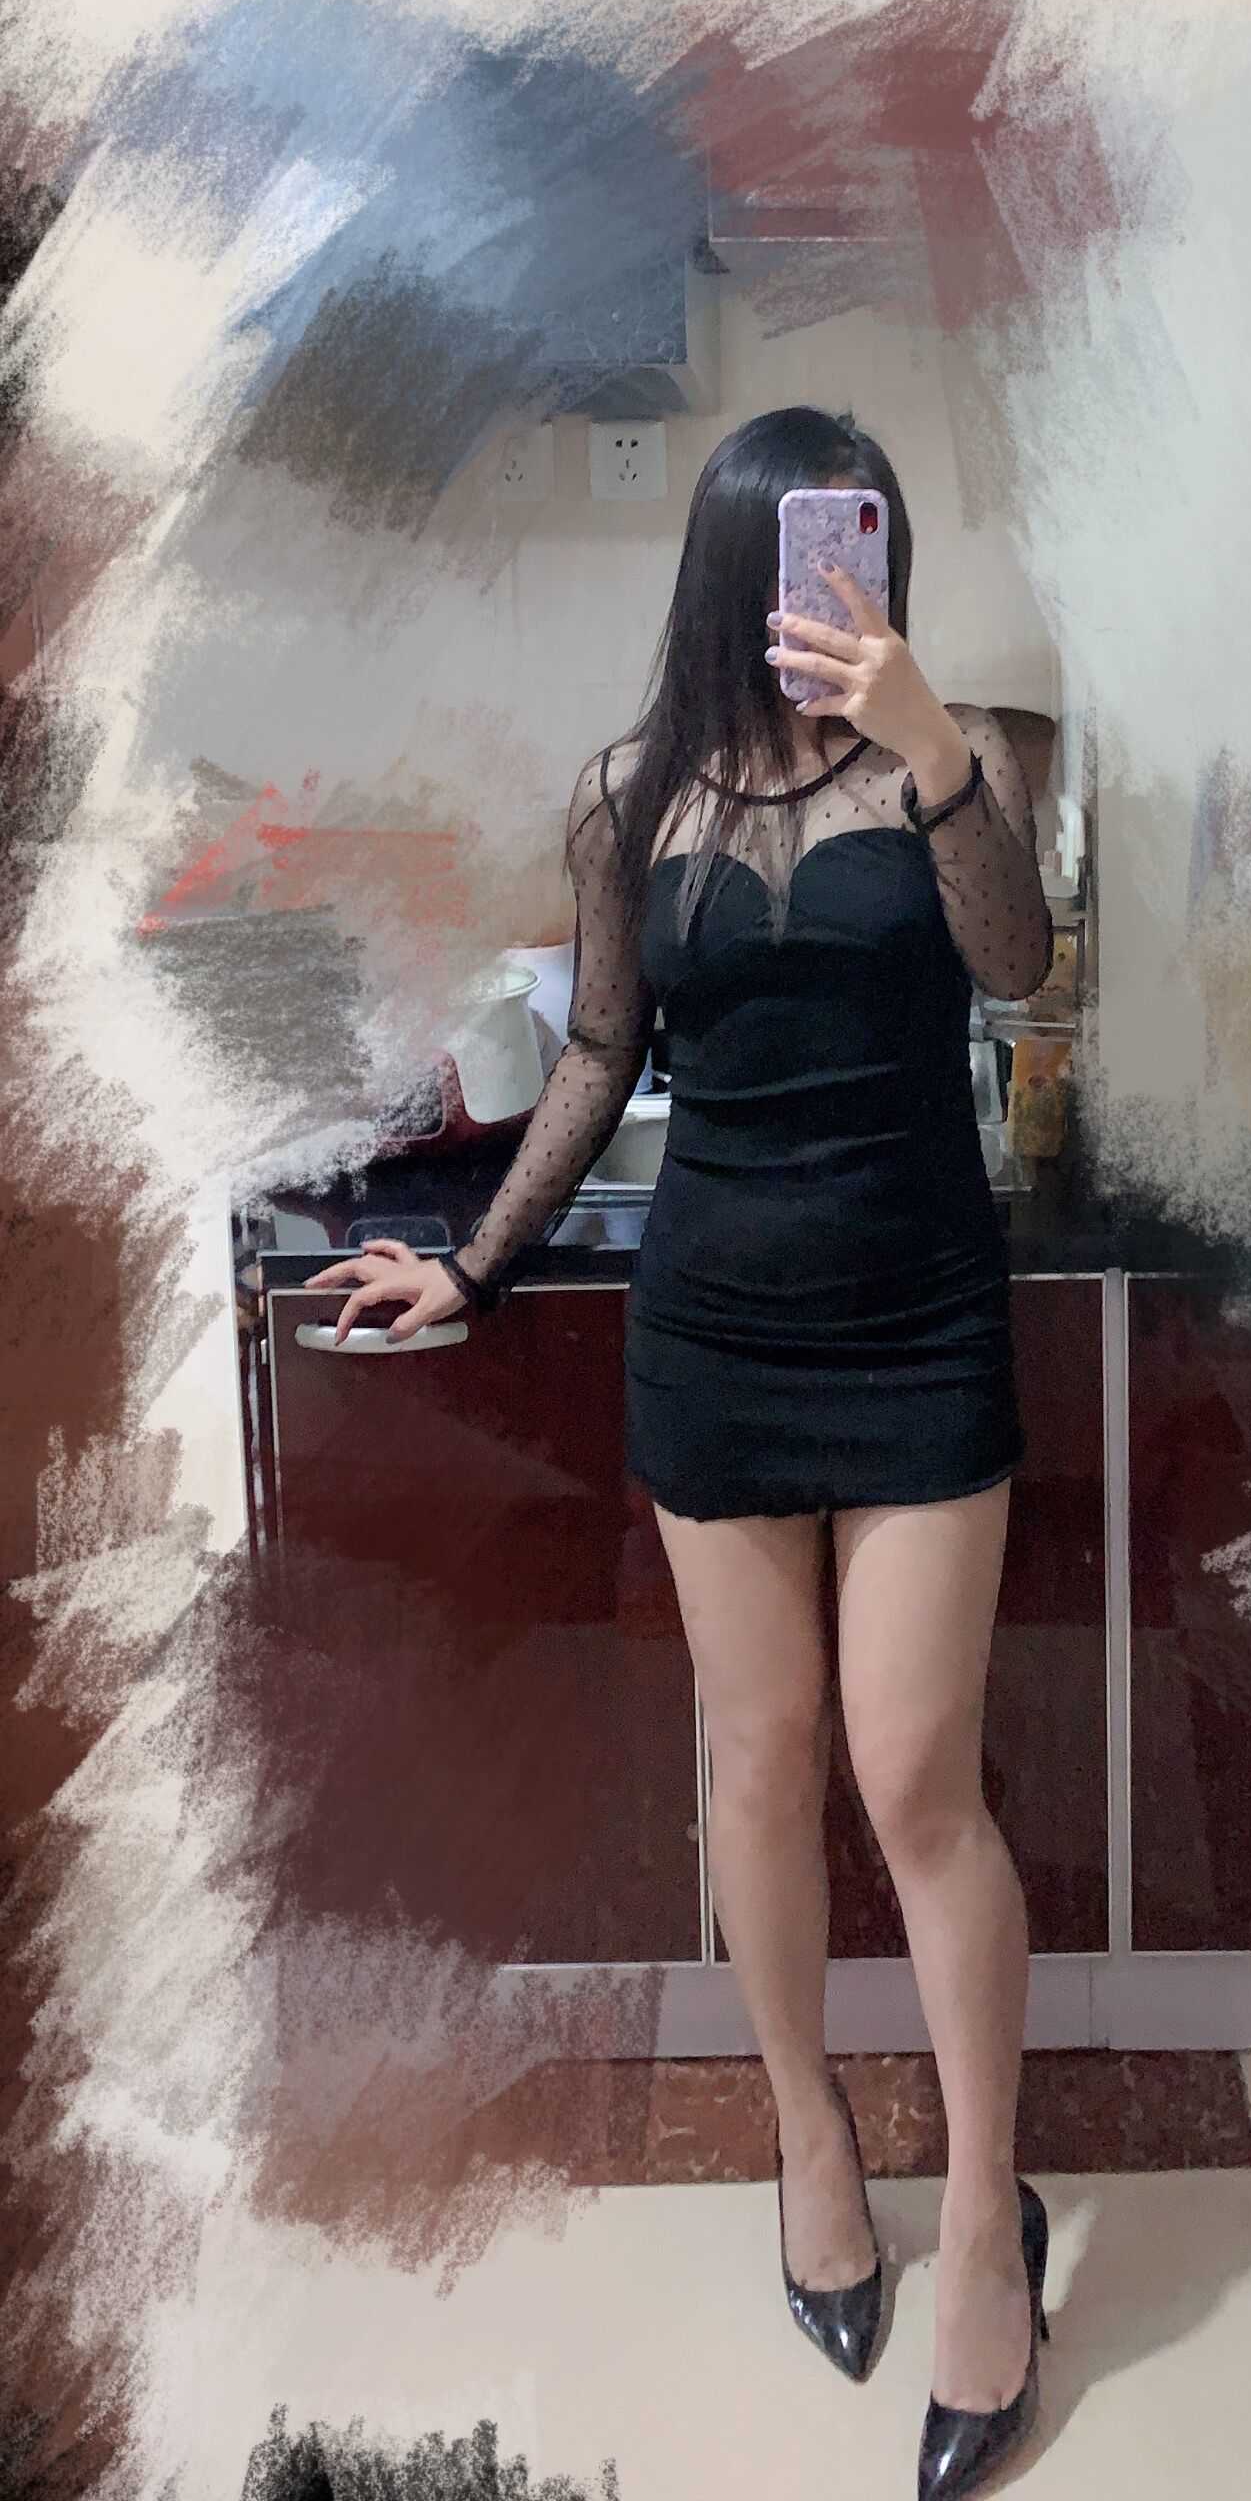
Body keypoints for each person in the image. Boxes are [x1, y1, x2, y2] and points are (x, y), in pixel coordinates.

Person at [307, 405, 1058, 2495]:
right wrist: (474, 1263)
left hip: (919, 1326)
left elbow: (1016, 968)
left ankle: (984, 2218)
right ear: (740, 570)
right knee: (763, 1757)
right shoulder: (630, 796)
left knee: (916, 1777)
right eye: (814, 545)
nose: (845, 576)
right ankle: (812, 2138)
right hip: (716, 1334)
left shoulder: (954, 755)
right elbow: (601, 1049)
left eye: (870, 541)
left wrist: (931, 742)